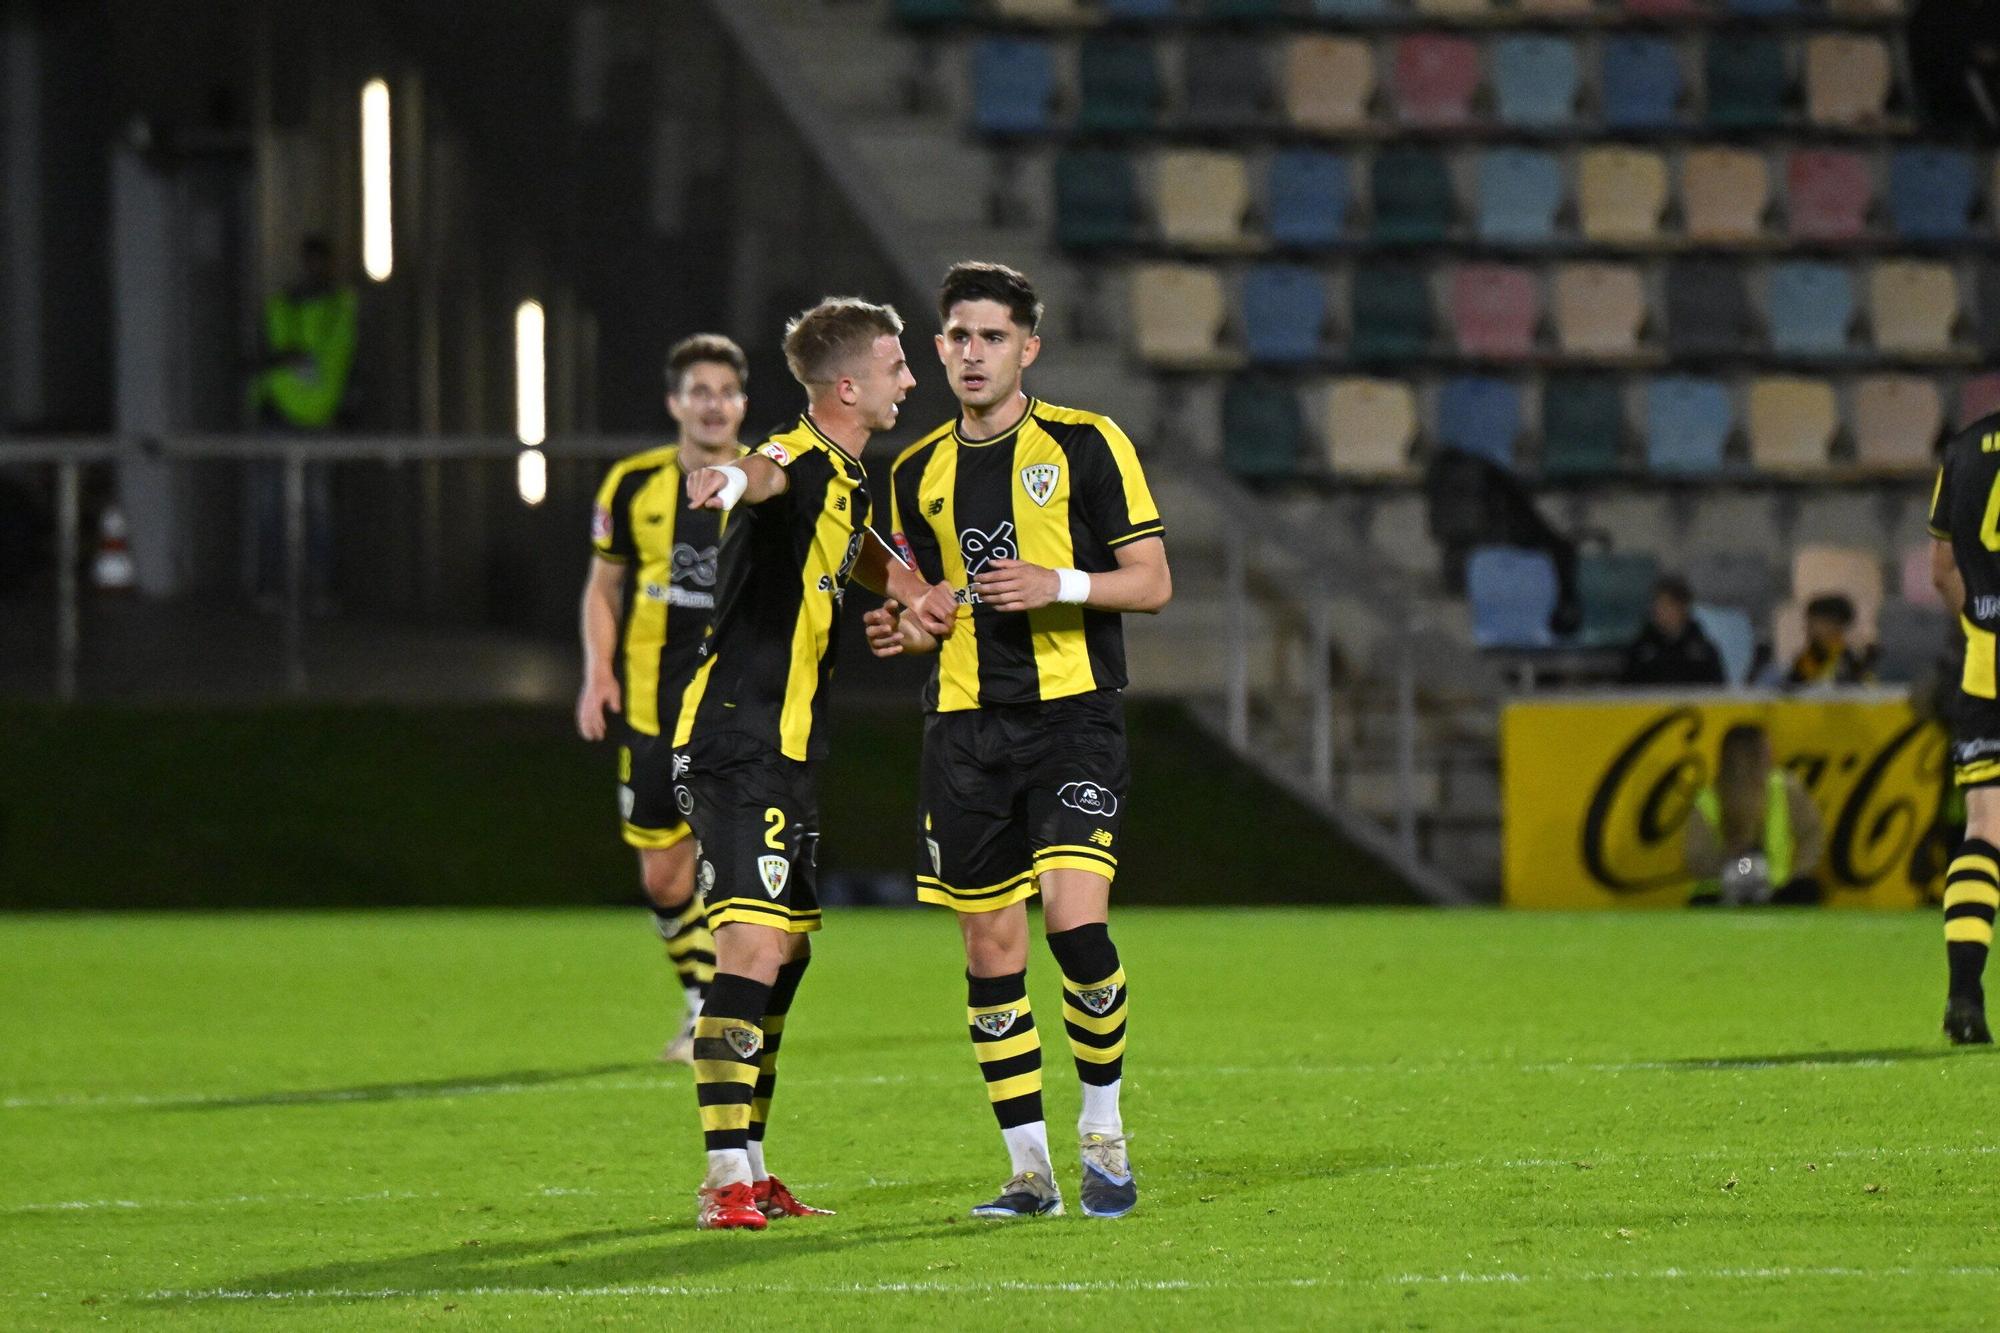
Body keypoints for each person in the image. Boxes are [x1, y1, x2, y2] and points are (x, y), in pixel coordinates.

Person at [864, 261, 1172, 1221]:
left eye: (992, 336)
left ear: (1028, 348)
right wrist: (908, 626)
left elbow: (1153, 581)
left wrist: (1058, 584)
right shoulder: (914, 472)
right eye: (959, 335)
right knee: (991, 948)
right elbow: (927, 608)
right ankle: (1029, 1170)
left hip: (1073, 716)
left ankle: (1104, 1132)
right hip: (963, 729)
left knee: (1076, 927)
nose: (972, 352)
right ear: (938, 347)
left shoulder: (1087, 442)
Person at [670, 297, 953, 1230]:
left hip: (786, 749)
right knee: (751, 948)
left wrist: (910, 587)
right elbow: (763, 475)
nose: (910, 378)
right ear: (848, 386)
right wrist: (724, 476)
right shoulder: (794, 455)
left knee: (785, 951)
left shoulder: (846, 473)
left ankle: (752, 1163)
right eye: (896, 364)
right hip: (737, 738)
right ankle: (722, 1178)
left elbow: (854, 540)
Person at [577, 334, 752, 1064]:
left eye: (727, 392)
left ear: (743, 403)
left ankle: (728, 1015)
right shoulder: (633, 484)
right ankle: (700, 998)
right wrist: (598, 673)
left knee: (740, 874)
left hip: (740, 715)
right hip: (652, 710)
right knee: (663, 876)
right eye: (700, 392)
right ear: (675, 403)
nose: (714, 405)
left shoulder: (767, 482)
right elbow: (604, 587)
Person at [1927, 407, 2000, 1044]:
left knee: (1984, 829)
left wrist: (1976, 630)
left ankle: (1964, 996)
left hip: (1987, 667)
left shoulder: (1966, 446)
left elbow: (1941, 569)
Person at [248, 234, 357, 609]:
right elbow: (258, 356)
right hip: (278, 414)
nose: (315, 270)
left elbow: (346, 362)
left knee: (316, 507)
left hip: (317, 418)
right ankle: (274, 588)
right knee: (273, 506)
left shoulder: (341, 307)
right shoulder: (281, 306)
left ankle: (318, 588)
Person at [1683, 724, 1824, 907]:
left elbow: (1813, 834)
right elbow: (1696, 858)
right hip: (1722, 890)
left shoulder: (1786, 788)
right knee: (1703, 900)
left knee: (1807, 889)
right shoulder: (1707, 800)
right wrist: (1725, 862)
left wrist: (1796, 874)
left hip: (1776, 891)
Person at [1620, 576, 1726, 687]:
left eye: (1667, 605)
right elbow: (1624, 690)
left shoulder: (1703, 652)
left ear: (1682, 607)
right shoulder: (1640, 650)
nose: (1659, 611)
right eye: (1657, 605)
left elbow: (1718, 691)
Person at [1785, 594, 1876, 686]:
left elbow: (1865, 687)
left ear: (1835, 624)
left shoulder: (1851, 659)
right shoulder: (1805, 660)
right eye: (1809, 622)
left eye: (1815, 622)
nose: (1808, 628)